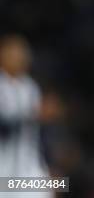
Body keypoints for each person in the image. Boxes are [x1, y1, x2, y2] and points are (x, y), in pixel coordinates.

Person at [0, 34, 52, 198]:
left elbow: (35, 134)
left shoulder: (31, 87)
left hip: (28, 166)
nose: (20, 58)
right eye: (14, 54)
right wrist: (32, 115)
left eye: (23, 54)